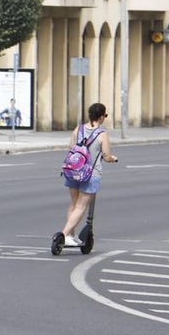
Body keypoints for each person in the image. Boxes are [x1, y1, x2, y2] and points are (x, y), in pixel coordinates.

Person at [60, 102, 117, 247]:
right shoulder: (102, 134)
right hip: (90, 174)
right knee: (80, 207)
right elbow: (106, 156)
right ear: (101, 117)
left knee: (74, 204)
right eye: (105, 116)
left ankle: (71, 236)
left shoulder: (78, 129)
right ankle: (64, 235)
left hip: (73, 170)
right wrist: (113, 159)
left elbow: (71, 147)